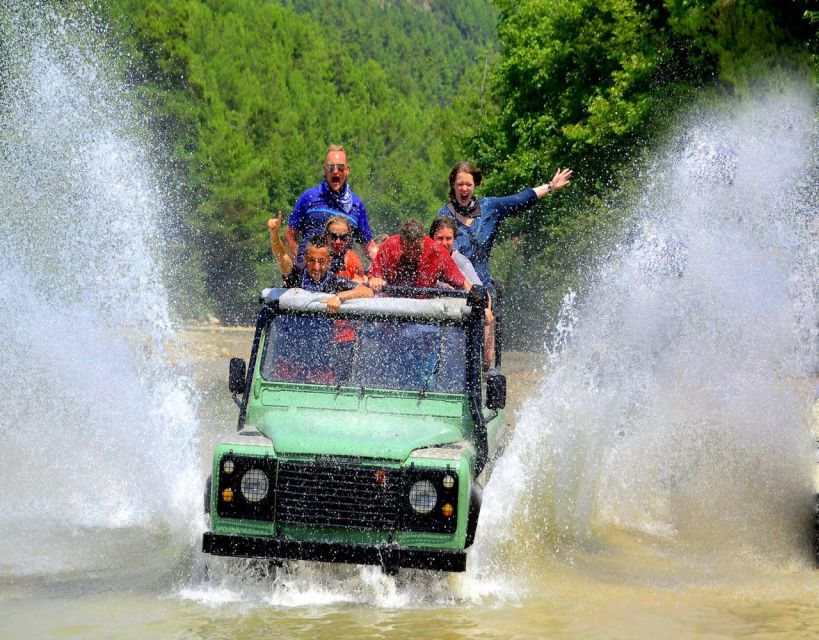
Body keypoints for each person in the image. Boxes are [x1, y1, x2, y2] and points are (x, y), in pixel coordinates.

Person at [438, 161, 573, 291]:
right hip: (455, 290)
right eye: (460, 184)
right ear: (453, 185)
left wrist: (550, 186)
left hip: (484, 289)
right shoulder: (444, 216)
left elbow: (520, 199)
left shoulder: (489, 207)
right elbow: (435, 254)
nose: (464, 188)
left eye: (468, 184)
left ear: (475, 185)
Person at [285, 144, 376, 265]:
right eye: (330, 167)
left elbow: (369, 247)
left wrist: (387, 263)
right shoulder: (309, 197)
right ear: (324, 169)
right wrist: (303, 263)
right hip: (309, 275)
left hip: (341, 276)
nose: (335, 171)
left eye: (340, 168)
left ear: (347, 170)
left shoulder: (357, 205)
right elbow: (289, 236)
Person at [268, 211, 373, 312]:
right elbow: (281, 255)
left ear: (329, 261)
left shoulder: (333, 280)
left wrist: (339, 297)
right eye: (312, 261)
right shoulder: (296, 275)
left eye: (321, 261)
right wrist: (274, 236)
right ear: (305, 259)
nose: (316, 267)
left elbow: (367, 292)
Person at [430, 216, 496, 369]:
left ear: (454, 239)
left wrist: (486, 309)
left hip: (456, 323)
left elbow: (481, 293)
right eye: (439, 238)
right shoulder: (426, 259)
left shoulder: (462, 263)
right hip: (432, 320)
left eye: (449, 238)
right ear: (431, 237)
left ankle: (482, 369)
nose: (444, 243)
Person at [368, 218, 473, 293]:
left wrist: (481, 304)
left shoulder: (437, 251)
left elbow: (463, 283)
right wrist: (375, 280)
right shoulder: (390, 246)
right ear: (401, 242)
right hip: (392, 307)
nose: (413, 255)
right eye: (408, 251)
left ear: (424, 239)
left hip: (424, 311)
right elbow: (373, 278)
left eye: (417, 250)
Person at [324, 215, 366, 283]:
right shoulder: (315, 256)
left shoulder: (354, 261)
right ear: (325, 237)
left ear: (349, 239)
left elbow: (362, 288)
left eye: (343, 237)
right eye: (333, 236)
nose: (338, 242)